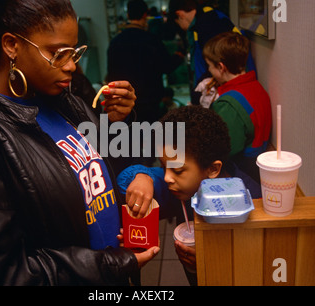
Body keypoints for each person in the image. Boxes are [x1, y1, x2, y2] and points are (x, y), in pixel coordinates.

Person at [0, 0, 159, 285]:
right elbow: (5, 273)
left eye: (74, 51)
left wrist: (116, 122)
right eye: (58, 53)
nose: (72, 66)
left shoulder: (65, 101)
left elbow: (98, 169)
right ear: (12, 45)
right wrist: (110, 264)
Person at [117, 105, 262, 285]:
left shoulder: (251, 200)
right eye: (163, 166)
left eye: (177, 170)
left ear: (212, 169)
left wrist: (213, 261)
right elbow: (124, 183)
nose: (168, 177)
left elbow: (259, 262)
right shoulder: (181, 187)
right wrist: (142, 176)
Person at [204, 32, 272, 184]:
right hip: (258, 162)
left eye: (209, 65)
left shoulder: (228, 104)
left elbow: (225, 149)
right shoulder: (256, 87)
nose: (208, 70)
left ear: (221, 67)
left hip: (241, 171)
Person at [107, 0, 184, 123]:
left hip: (125, 104)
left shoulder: (115, 42)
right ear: (145, 15)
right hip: (150, 103)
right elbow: (167, 66)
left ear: (128, 16)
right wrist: (180, 54)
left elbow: (111, 75)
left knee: (130, 140)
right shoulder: (151, 40)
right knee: (152, 140)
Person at [167, 0, 256, 104]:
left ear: (180, 14)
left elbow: (222, 64)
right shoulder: (206, 18)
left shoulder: (208, 23)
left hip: (227, 94)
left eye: (177, 23)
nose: (181, 28)